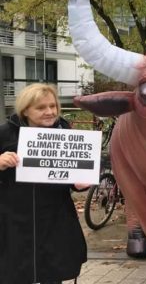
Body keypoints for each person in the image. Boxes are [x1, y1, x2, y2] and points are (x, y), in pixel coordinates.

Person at [0, 83, 88, 284]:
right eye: (41, 108)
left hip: (55, 219)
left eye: (53, 106)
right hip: (14, 222)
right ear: (25, 111)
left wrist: (80, 184)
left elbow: (72, 175)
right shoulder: (5, 134)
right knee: (15, 273)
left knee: (53, 273)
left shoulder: (66, 132)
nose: (49, 112)